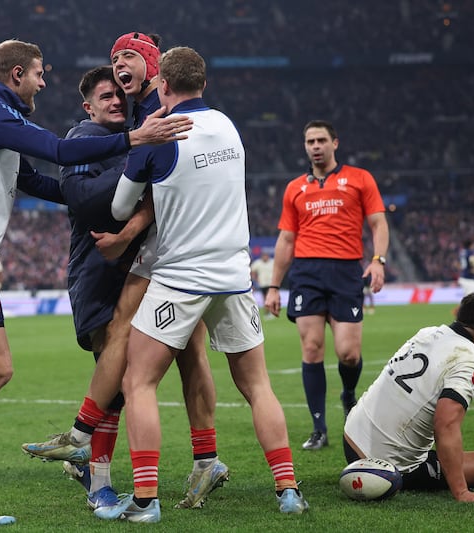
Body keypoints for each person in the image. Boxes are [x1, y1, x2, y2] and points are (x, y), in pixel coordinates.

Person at [0, 38, 191, 525]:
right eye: (38, 74)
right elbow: (57, 149)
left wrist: (89, 197)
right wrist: (134, 141)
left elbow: (39, 180)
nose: (44, 82)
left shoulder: (1, 124)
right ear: (15, 75)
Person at [94, 46, 309, 523]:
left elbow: (118, 209)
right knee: (257, 386)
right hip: (234, 276)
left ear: (162, 88)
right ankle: (288, 489)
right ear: (204, 86)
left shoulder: (158, 139)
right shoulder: (229, 127)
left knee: (139, 380)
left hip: (180, 276)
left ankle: (145, 501)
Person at [22, 33, 228, 511]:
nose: (115, 94)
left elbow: (154, 188)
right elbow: (81, 198)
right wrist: (138, 162)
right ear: (88, 107)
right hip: (99, 269)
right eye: (105, 94)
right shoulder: (87, 137)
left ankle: (194, 458)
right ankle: (99, 481)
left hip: (152, 261)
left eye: (120, 82)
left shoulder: (147, 124)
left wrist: (137, 180)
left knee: (183, 354)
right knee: (118, 376)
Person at [264, 119, 389, 451]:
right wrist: (274, 286)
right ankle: (319, 428)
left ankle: (348, 394)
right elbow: (286, 239)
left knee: (349, 353)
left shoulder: (360, 179)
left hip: (347, 271)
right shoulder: (294, 188)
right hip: (306, 272)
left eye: (321, 140)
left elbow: (378, 222)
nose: (315, 146)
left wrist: (378, 260)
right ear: (305, 146)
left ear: (335, 143)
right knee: (312, 348)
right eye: (310, 141)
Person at [344, 293, 474, 504]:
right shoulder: (469, 363)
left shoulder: (428, 333)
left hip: (352, 438)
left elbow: (446, 358)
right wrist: (462, 492)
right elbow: (445, 424)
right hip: (385, 466)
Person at [251, 250, 275, 316]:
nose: (265, 258)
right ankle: (267, 312)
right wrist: (256, 279)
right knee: (265, 298)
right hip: (263, 283)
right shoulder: (258, 263)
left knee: (271, 297)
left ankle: (271, 311)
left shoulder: (272, 262)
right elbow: (252, 271)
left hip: (271, 283)